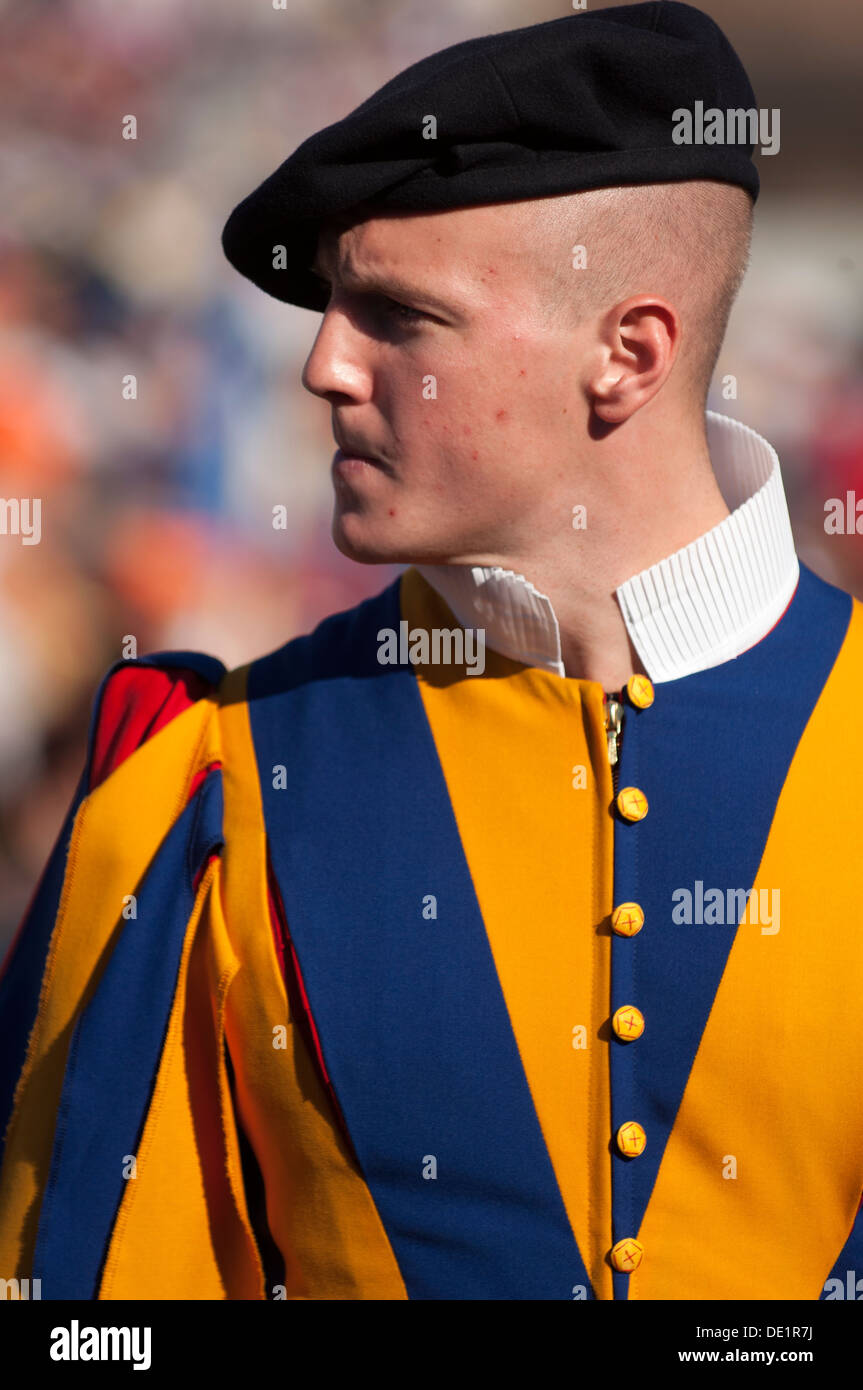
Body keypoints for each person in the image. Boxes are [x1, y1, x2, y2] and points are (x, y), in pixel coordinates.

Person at [1, 1, 861, 1301]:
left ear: (628, 354)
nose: (322, 365)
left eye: (398, 316)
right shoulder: (202, 790)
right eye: (333, 306)